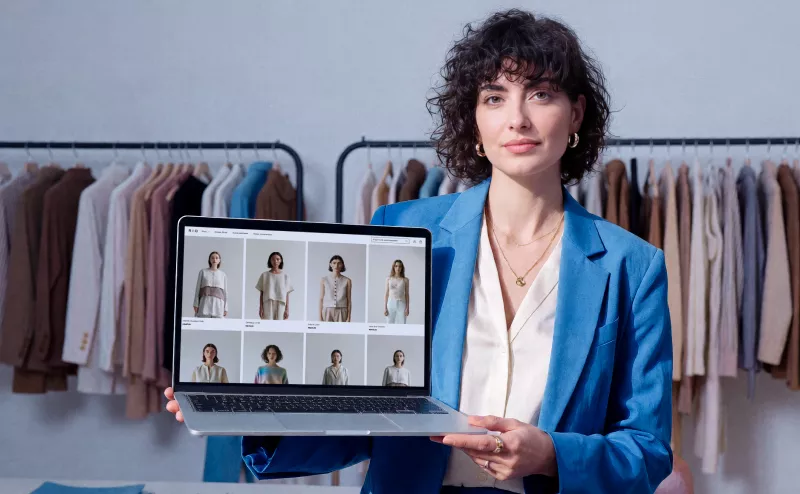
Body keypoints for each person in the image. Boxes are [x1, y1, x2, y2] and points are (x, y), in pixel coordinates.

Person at [167, 9, 672, 493]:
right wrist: (254, 411)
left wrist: (551, 455)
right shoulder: (401, 232)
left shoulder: (632, 266)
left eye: (540, 94)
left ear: (575, 112)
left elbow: (647, 451)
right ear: (474, 122)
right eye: (494, 98)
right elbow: (362, 418)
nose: (517, 119)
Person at [255, 251, 294, 320]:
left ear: (281, 260)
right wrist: (261, 308)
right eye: (273, 259)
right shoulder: (264, 275)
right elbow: (261, 293)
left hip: (281, 304)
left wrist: (287, 309)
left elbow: (287, 294)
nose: (275, 261)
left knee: (279, 326)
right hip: (267, 303)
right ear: (270, 261)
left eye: (277, 259)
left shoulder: (285, 276)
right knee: (267, 325)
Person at [193, 251, 228, 318]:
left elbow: (225, 293)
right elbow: (197, 289)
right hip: (205, 303)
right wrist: (196, 304)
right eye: (212, 258)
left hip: (218, 305)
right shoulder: (203, 272)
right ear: (209, 259)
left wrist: (226, 308)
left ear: (219, 260)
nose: (214, 260)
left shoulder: (223, 275)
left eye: (216, 258)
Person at [319, 254, 352, 322]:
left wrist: (349, 317)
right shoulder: (324, 280)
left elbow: (349, 300)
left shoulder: (347, 281)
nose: (336, 266)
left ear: (342, 265)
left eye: (339, 263)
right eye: (334, 263)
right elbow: (321, 299)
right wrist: (320, 317)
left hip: (342, 311)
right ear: (330, 264)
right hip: (327, 310)